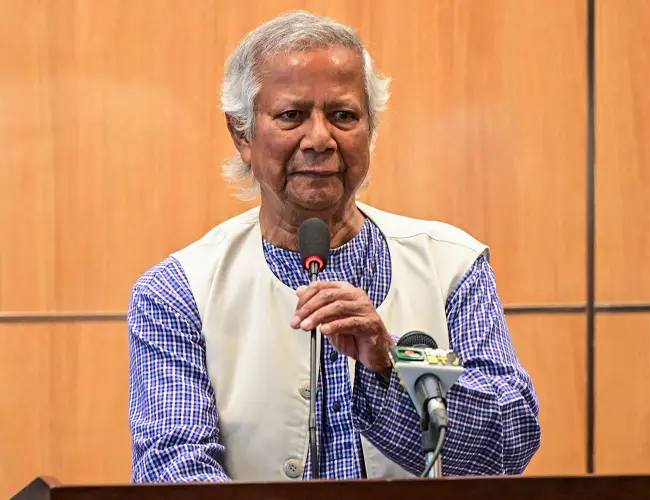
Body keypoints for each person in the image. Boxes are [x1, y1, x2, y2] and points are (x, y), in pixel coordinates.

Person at [127, 10, 541, 483]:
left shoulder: (450, 264)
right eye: (291, 115)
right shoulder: (178, 291)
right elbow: (173, 471)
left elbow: (508, 448)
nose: (321, 138)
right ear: (242, 134)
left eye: (343, 115)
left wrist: (390, 361)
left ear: (371, 130)